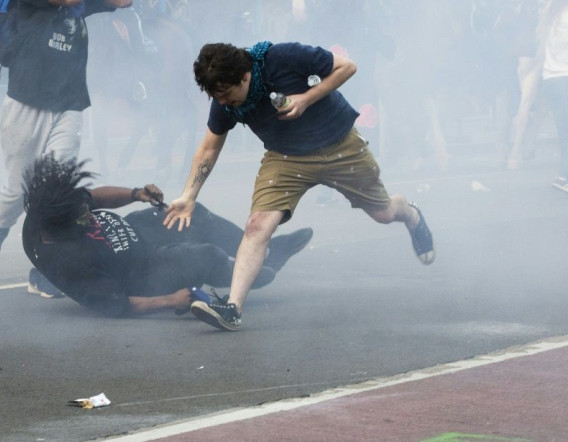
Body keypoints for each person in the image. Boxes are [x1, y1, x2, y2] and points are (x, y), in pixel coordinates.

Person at [163, 41, 435, 331]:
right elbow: (208, 148)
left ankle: (411, 214)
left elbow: (347, 67)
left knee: (384, 213)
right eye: (219, 97)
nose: (225, 103)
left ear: (244, 76)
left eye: (228, 95)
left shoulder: (282, 57)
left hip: (340, 145)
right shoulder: (224, 101)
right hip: (286, 157)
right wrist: (189, 195)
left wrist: (306, 99)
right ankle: (232, 308)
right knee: (257, 225)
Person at [0, 0, 132, 297]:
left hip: (69, 103)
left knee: (59, 189)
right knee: (17, 190)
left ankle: (47, 266)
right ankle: (0, 228)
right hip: (26, 102)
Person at [21, 155, 313, 316]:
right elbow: (115, 303)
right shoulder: (66, 264)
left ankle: (264, 250)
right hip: (146, 272)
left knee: (190, 214)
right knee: (205, 257)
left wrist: (136, 194)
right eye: (82, 217)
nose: (88, 213)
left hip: (136, 229)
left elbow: (94, 197)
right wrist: (169, 300)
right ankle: (252, 273)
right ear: (60, 228)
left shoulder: (53, 207)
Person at [508, 0, 568, 193]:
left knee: (564, 130)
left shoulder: (550, 18)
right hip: (564, 80)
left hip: (551, 80)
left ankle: (564, 175)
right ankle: (564, 177)